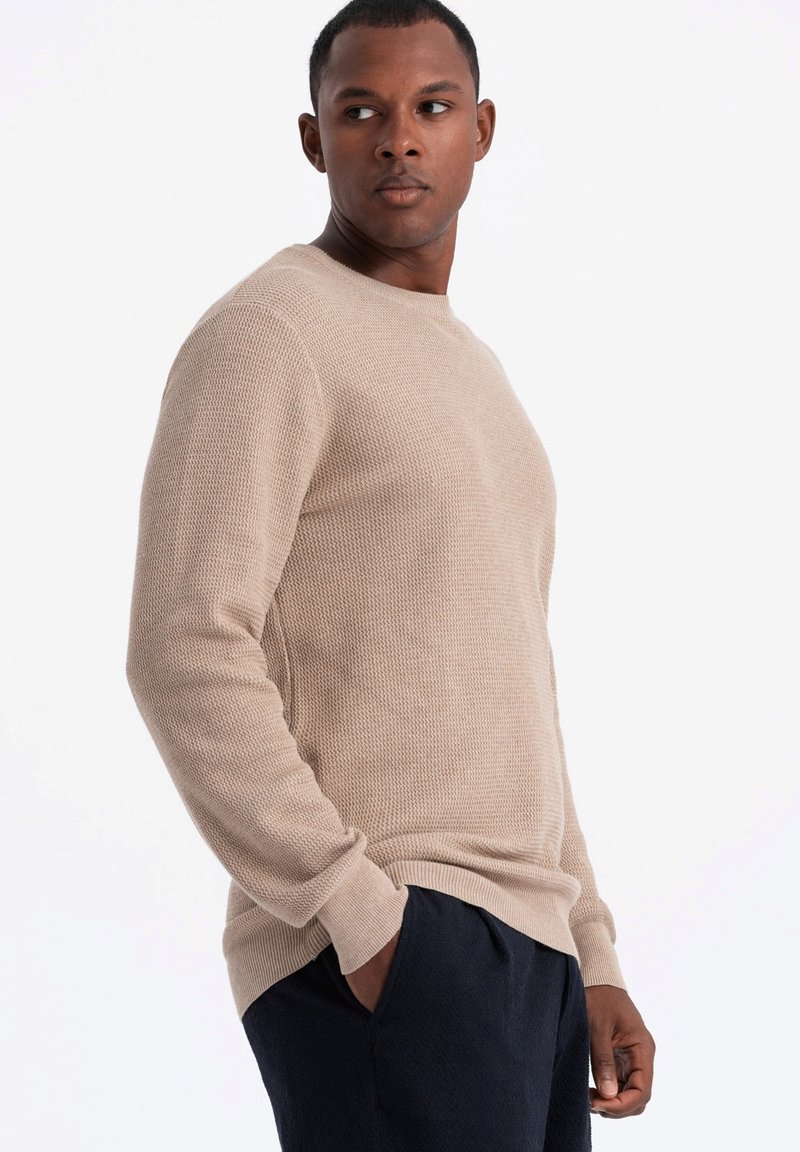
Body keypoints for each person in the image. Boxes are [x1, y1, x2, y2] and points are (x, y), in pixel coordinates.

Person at [125, 1, 655, 1148]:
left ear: (481, 130)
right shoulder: (271, 332)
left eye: (431, 107)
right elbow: (183, 645)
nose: (398, 138)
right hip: (389, 936)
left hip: (525, 954)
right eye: (360, 111)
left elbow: (519, 687)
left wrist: (590, 950)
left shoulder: (477, 374)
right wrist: (356, 916)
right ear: (312, 139)